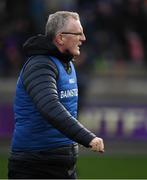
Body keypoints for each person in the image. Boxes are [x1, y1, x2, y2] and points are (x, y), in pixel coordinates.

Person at [8, 11, 104, 179]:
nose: (83, 38)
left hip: (61, 162)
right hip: (35, 164)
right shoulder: (40, 65)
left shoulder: (67, 63)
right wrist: (87, 137)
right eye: (78, 33)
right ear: (60, 38)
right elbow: (49, 106)